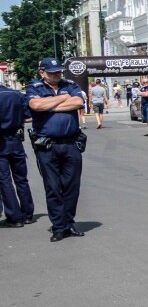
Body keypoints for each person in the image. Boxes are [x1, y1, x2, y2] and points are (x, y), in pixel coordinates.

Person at [26, 58, 86, 241]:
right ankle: (59, 227)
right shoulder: (35, 87)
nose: (57, 75)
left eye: (59, 71)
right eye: (52, 72)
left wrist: (49, 105)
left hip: (71, 144)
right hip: (47, 145)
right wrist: (62, 98)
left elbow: (78, 102)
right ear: (42, 72)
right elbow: (35, 106)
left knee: (71, 187)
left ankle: (68, 223)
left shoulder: (70, 84)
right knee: (53, 187)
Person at [0, 79, 34, 228]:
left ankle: (14, 216)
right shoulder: (16, 94)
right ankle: (27, 213)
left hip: (1, 141)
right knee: (21, 178)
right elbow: (28, 116)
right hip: (16, 139)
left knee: (4, 180)